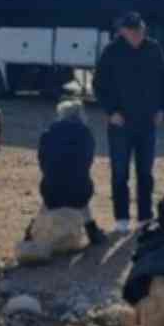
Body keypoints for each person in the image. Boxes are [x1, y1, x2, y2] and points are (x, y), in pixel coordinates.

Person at [93, 12, 164, 232]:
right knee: (120, 173)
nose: (138, 35)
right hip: (120, 124)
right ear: (123, 32)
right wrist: (111, 112)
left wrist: (162, 109)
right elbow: (98, 85)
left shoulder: (153, 48)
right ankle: (121, 218)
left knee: (145, 172)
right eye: (133, 31)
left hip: (148, 123)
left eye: (140, 30)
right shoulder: (111, 51)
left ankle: (145, 216)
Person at [35, 100, 108, 245]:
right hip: (78, 189)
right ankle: (92, 233)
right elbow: (87, 161)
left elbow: (42, 160)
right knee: (82, 200)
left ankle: (30, 233)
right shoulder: (86, 134)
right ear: (80, 115)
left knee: (47, 201)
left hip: (51, 188)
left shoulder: (48, 133)